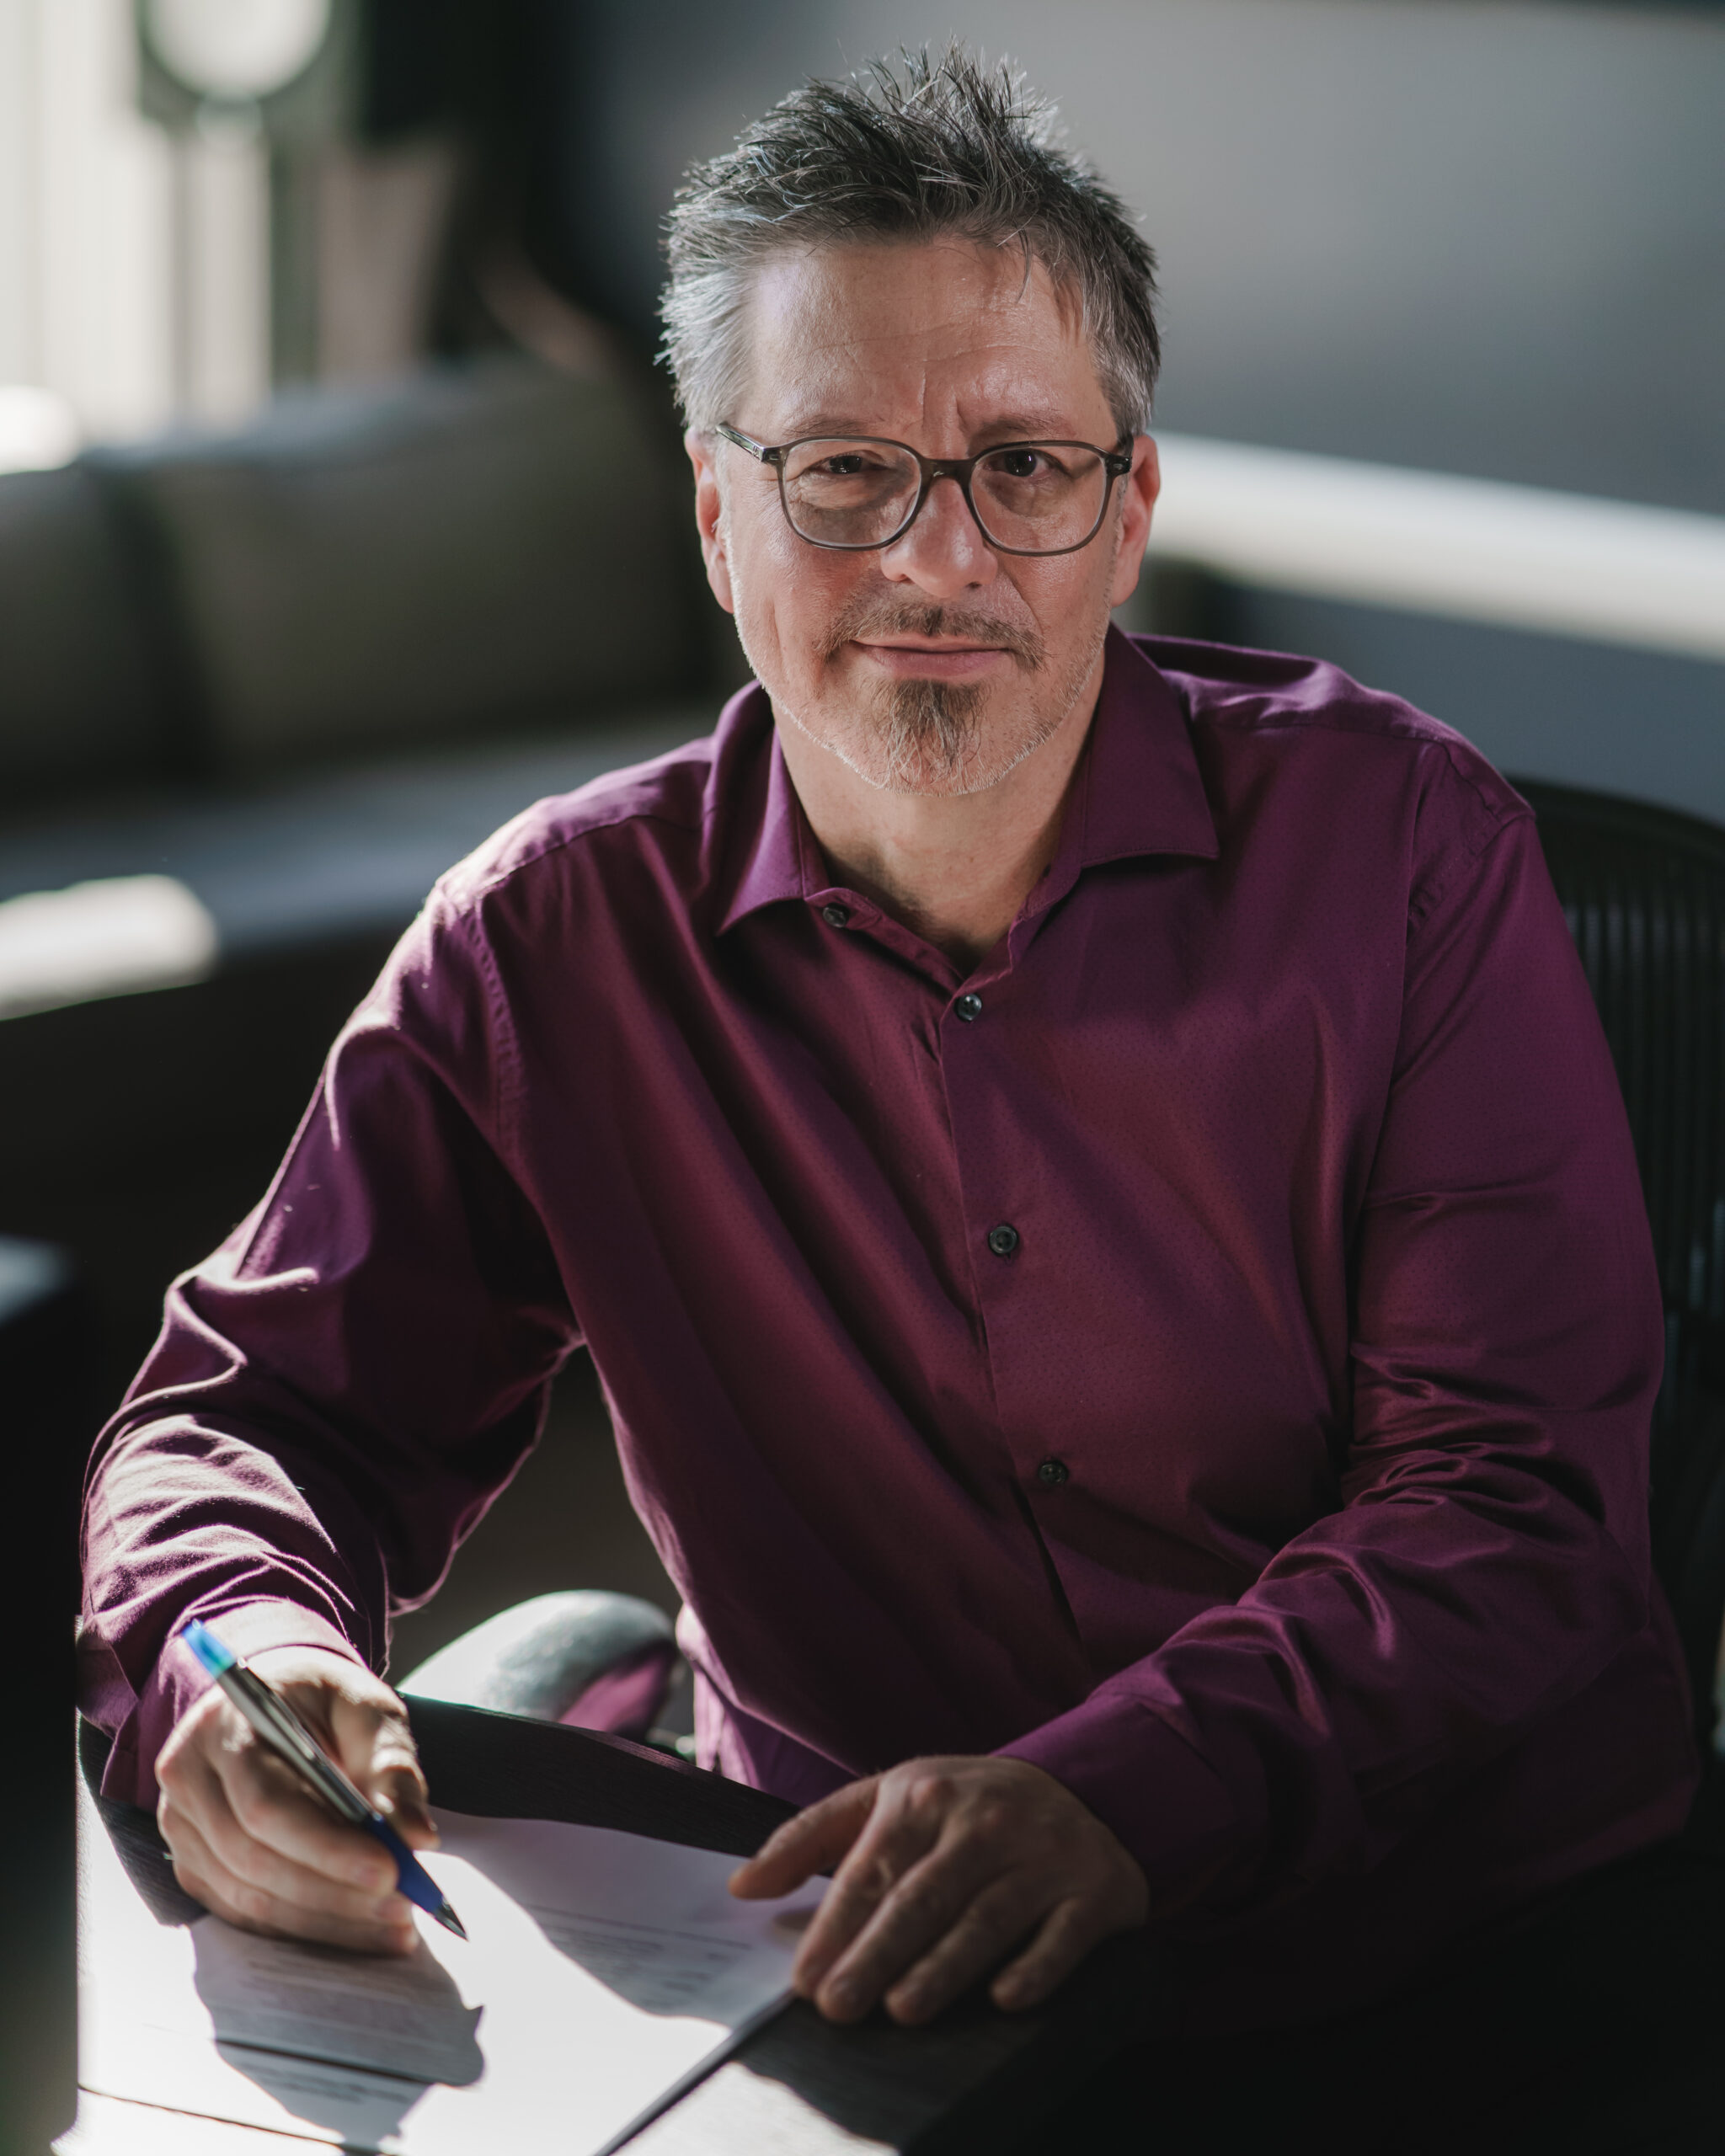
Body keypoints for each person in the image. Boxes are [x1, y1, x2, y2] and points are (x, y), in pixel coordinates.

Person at [80, 44, 1697, 2095]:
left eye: (1021, 466)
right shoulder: (547, 945)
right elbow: (250, 1414)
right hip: (844, 1966)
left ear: (1127, 514)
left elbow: (1514, 1503)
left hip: (1437, 1934)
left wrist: (1121, 1789)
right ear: (710, 512)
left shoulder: (1404, 853)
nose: (938, 562)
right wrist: (239, 1655)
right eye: (841, 468)